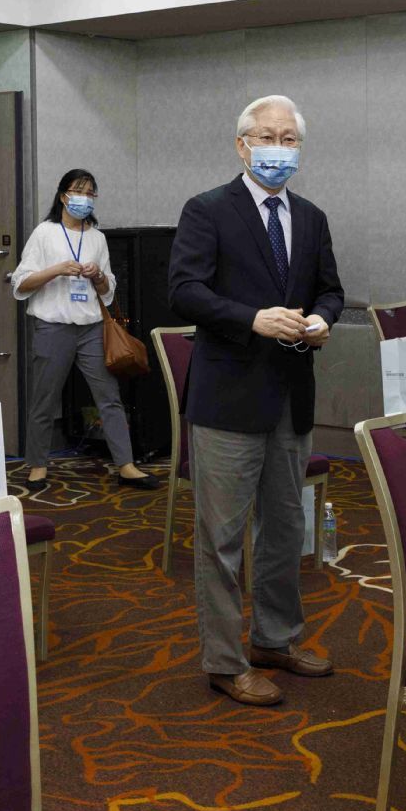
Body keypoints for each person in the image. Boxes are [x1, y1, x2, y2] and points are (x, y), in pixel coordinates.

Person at [168, 95, 345, 707]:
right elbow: (184, 291)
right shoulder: (207, 209)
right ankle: (224, 660)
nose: (278, 148)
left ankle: (276, 638)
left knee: (286, 528)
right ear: (242, 145)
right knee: (221, 540)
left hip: (291, 397)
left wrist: (322, 320)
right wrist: (252, 319)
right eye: (267, 137)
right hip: (227, 399)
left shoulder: (313, 217)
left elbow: (331, 291)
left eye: (289, 138)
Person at [12, 170, 158, 494]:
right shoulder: (45, 233)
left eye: (90, 193)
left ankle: (126, 465)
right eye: (79, 191)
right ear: (63, 196)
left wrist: (98, 276)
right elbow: (21, 284)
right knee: (44, 399)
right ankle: (37, 465)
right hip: (53, 327)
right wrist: (57, 270)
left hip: (91, 328)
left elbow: (107, 291)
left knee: (109, 397)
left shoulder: (97, 238)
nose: (85, 198)